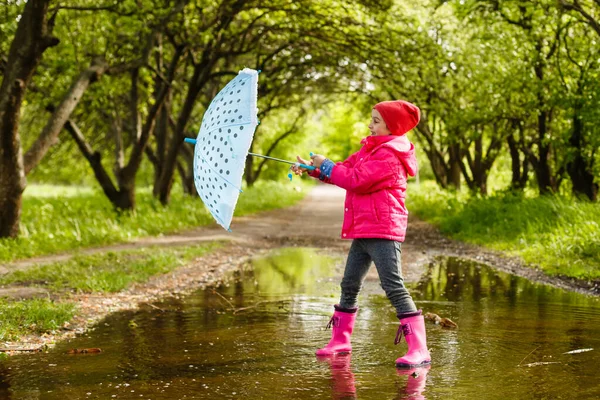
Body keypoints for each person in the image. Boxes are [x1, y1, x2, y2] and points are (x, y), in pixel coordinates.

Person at [291, 100, 430, 369]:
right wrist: (315, 169)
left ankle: (419, 348)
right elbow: (345, 171)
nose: (370, 124)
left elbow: (357, 180)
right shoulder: (370, 150)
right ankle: (341, 340)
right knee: (349, 283)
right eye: (372, 119)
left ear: (392, 127)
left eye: (376, 120)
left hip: (383, 230)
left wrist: (328, 165)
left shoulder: (389, 157)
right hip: (364, 229)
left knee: (393, 286)